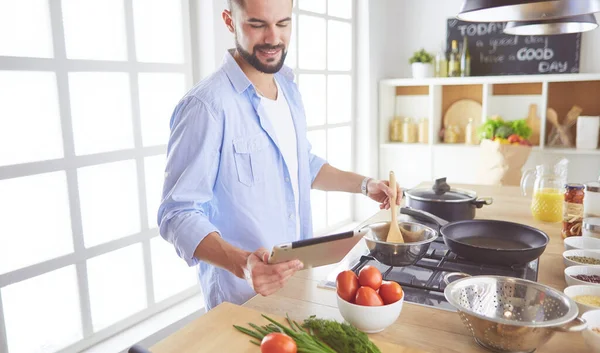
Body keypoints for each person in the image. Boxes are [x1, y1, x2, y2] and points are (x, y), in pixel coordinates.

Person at [157, 0, 400, 311]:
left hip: (299, 284)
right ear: (229, 21)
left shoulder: (287, 88)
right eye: (258, 25)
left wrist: (366, 185)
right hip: (241, 300)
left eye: (283, 23)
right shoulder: (207, 106)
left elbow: (303, 166)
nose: (273, 38)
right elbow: (177, 214)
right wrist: (243, 264)